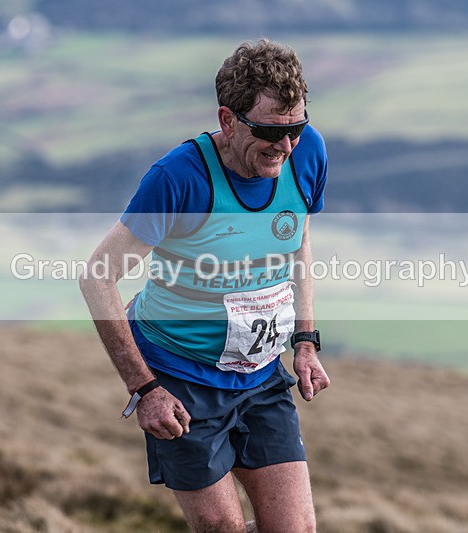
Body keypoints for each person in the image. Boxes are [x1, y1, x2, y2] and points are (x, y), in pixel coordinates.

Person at [80, 38, 330, 533]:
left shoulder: (307, 154)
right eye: (270, 131)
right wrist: (144, 389)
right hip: (182, 379)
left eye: (296, 128)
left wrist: (304, 340)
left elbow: (298, 236)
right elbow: (97, 277)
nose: (286, 147)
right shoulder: (178, 178)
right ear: (228, 119)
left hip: (260, 376)